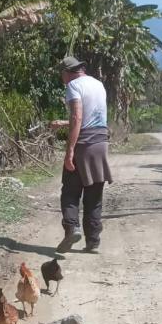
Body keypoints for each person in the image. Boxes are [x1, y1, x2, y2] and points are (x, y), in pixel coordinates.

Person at [50, 57, 112, 254]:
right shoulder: (98, 84)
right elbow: (92, 118)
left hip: (83, 144)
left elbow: (78, 117)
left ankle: (71, 228)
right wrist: (63, 122)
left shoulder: (73, 86)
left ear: (67, 72)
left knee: (70, 190)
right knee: (94, 194)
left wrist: (69, 152)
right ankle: (93, 239)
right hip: (101, 142)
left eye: (62, 74)